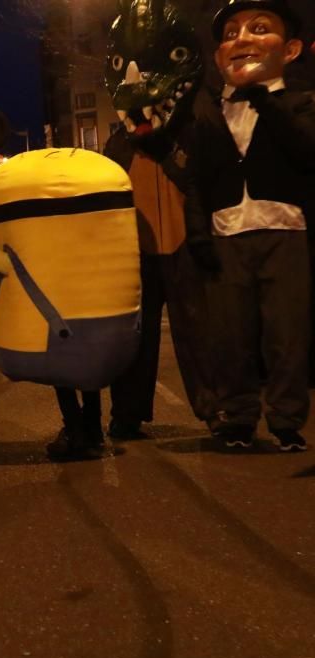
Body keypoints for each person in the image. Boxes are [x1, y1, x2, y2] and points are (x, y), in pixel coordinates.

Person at [184, 0, 315, 451]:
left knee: (287, 333)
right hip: (226, 234)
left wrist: (263, 98)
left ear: (292, 49)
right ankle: (237, 416)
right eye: (230, 34)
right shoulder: (209, 113)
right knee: (230, 335)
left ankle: (286, 419)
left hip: (287, 232)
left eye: (259, 29)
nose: (241, 39)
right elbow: (196, 180)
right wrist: (198, 233)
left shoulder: (302, 102)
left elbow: (307, 152)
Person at [102, 0, 217, 439]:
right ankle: (126, 415)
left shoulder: (197, 130)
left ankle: (216, 410)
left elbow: (207, 182)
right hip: (139, 253)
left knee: (200, 333)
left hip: (190, 246)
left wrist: (171, 155)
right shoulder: (119, 144)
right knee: (136, 339)